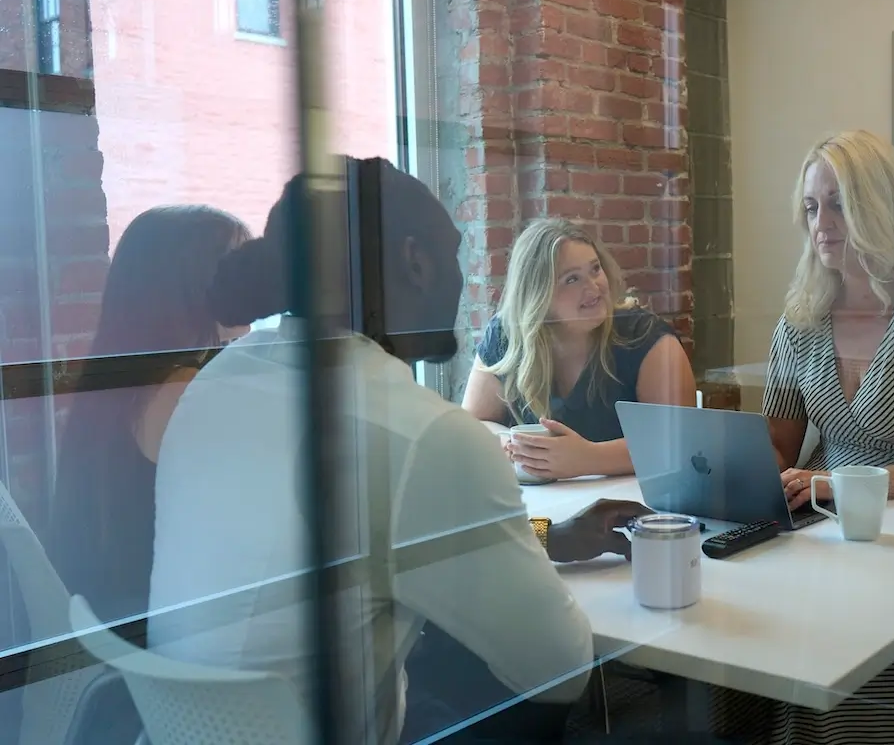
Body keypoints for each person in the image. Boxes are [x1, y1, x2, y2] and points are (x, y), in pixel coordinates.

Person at [146, 158, 652, 745]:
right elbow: (559, 671)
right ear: (416, 262)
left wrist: (544, 536)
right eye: (456, 253)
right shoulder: (415, 432)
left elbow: (366, 542)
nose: (463, 279)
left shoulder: (221, 381)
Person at [710, 130, 894, 745]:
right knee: (730, 644)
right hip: (820, 530)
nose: (822, 222)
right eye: (813, 207)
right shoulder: (802, 321)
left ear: (881, 208)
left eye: (840, 203)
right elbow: (778, 446)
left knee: (834, 707)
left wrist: (826, 483)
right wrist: (748, 474)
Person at [50, 205, 251, 624]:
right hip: (161, 627)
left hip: (107, 611)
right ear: (187, 287)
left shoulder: (121, 372)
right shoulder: (183, 388)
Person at [462, 218, 696, 480]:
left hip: (631, 509)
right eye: (572, 279)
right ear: (538, 294)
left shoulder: (647, 338)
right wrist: (506, 443)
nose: (594, 287)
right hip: (541, 509)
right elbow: (472, 426)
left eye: (595, 269)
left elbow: (680, 444)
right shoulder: (506, 335)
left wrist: (588, 458)